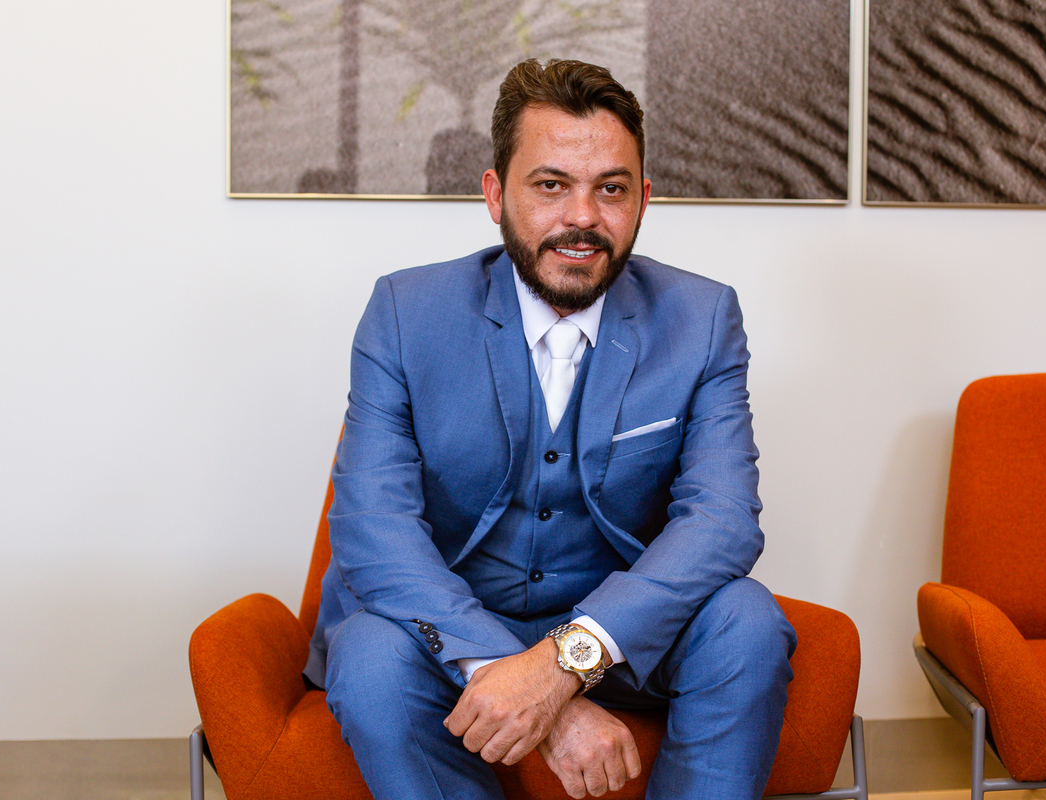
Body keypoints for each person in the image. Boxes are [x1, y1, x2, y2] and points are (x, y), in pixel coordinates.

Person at [303, 58, 796, 800]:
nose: (583, 217)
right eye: (551, 185)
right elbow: (374, 528)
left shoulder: (702, 319)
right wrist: (524, 687)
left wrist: (565, 662)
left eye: (612, 189)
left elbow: (721, 522)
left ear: (644, 199)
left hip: (619, 630)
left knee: (746, 621)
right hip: (451, 628)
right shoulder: (405, 313)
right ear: (495, 194)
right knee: (372, 657)